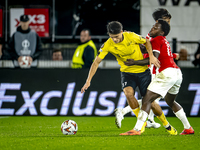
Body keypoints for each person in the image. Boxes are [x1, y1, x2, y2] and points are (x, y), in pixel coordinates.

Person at [81, 21, 177, 135]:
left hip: (143, 72)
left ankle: (167, 125)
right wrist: (88, 81)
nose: (115, 40)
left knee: (150, 102)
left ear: (121, 32)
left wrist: (151, 56)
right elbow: (96, 62)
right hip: (127, 73)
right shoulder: (108, 44)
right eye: (112, 37)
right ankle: (142, 124)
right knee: (128, 93)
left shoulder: (131, 36)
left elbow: (147, 41)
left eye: (116, 37)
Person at [121, 19, 194, 135]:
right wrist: (130, 38)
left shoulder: (157, 39)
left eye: (156, 28)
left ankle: (137, 129)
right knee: (170, 101)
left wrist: (133, 62)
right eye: (153, 26)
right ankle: (188, 128)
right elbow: (146, 50)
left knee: (147, 99)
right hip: (177, 73)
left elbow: (152, 59)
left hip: (167, 73)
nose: (152, 29)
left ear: (162, 32)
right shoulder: (162, 40)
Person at [115, 8, 179, 129]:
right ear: (158, 20)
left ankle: (148, 119)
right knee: (151, 97)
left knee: (152, 97)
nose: (168, 23)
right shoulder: (154, 34)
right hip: (151, 68)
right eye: (167, 20)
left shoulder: (155, 34)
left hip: (154, 67)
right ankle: (124, 112)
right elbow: (149, 52)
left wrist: (173, 55)